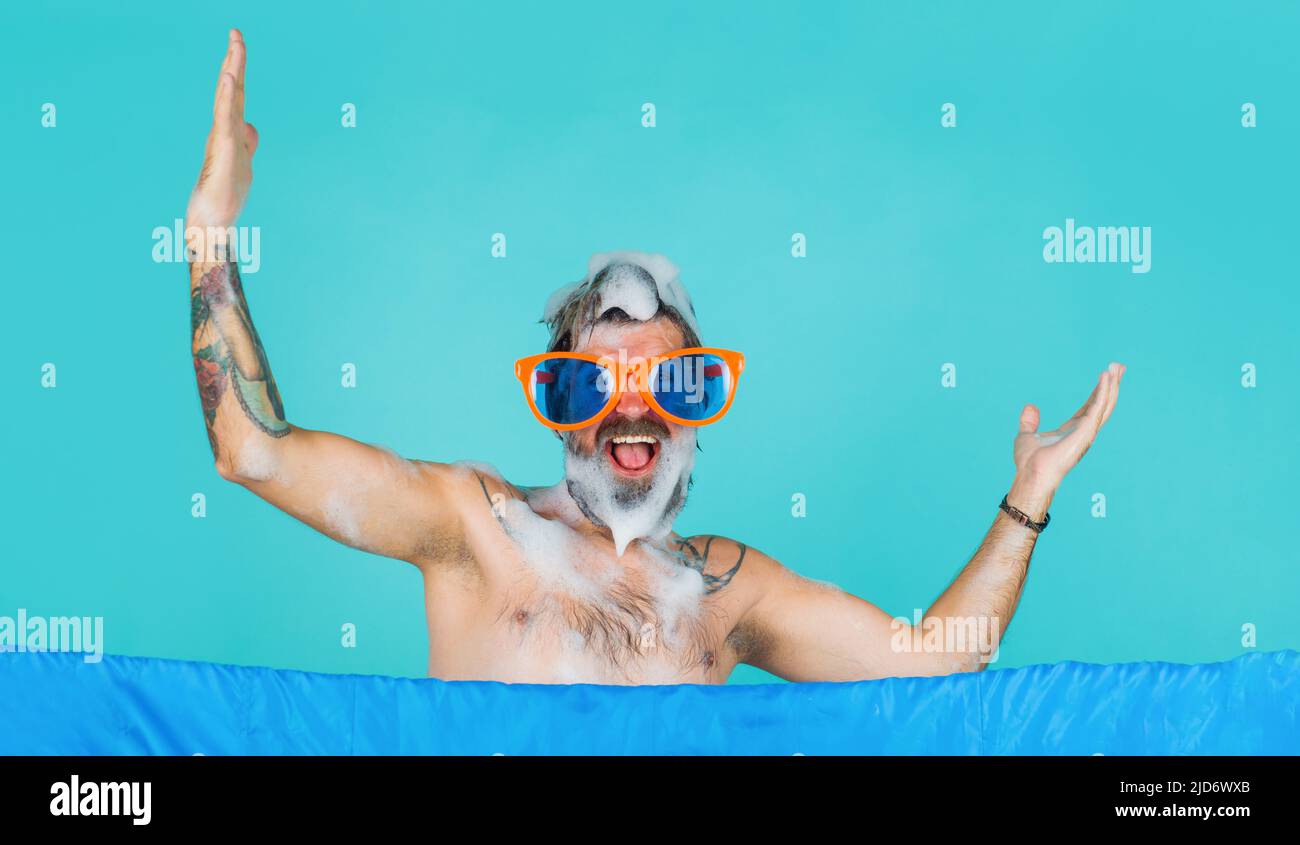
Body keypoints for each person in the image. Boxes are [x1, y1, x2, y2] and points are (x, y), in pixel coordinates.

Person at [187, 30, 1125, 684]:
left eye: (668, 379)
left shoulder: (725, 587)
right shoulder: (475, 530)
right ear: (557, 400)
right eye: (596, 380)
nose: (630, 408)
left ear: (697, 402)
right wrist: (209, 235)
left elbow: (939, 656)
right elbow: (252, 448)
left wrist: (1026, 499)